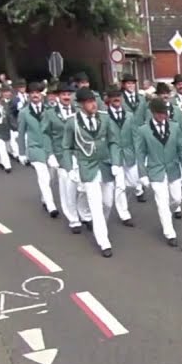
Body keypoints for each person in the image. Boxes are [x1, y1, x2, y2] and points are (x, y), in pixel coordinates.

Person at [65, 88, 119, 257]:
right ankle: (104, 241)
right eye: (89, 102)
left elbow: (114, 141)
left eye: (94, 100)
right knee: (95, 205)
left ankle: (94, 219)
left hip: (105, 165)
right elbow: (67, 147)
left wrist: (116, 161)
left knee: (108, 203)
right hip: (87, 166)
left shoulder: (104, 117)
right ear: (81, 104)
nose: (93, 104)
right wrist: (69, 167)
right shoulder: (71, 123)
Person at [134, 97, 182, 247]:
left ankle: (169, 213)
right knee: (162, 202)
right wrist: (142, 174)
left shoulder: (174, 127)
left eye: (165, 113)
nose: (164, 116)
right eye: (160, 113)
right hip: (155, 170)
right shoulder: (143, 130)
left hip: (173, 168)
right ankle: (169, 233)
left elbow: (181, 148)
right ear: (153, 113)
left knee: (177, 199)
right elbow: (140, 154)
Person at [16, 83, 59, 219]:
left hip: (50, 148)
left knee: (51, 176)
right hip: (35, 148)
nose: (35, 95)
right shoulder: (24, 112)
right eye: (32, 93)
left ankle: (44, 197)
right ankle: (51, 206)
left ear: (42, 95)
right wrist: (21, 153)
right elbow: (21, 133)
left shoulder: (49, 110)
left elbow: (55, 131)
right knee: (43, 176)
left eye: (37, 93)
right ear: (29, 95)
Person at [44, 85, 83, 231]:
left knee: (82, 187)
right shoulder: (50, 113)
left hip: (79, 153)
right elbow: (45, 134)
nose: (66, 97)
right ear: (58, 97)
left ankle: (84, 214)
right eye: (63, 94)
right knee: (67, 187)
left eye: (69, 94)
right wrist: (50, 154)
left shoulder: (78, 111)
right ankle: (73, 219)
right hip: (61, 154)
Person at [100, 88, 136, 230]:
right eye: (113, 97)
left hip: (129, 153)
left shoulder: (129, 116)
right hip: (113, 155)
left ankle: (123, 203)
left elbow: (135, 135)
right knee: (120, 185)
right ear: (108, 99)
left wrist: (139, 153)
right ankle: (124, 214)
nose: (116, 99)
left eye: (118, 96)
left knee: (133, 184)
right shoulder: (104, 117)